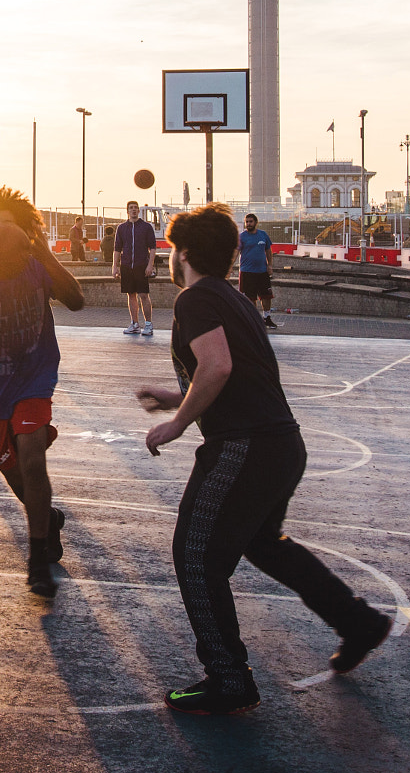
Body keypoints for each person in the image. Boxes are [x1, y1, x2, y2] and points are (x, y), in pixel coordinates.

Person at [138, 204, 392, 715]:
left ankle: (229, 677)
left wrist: (177, 423)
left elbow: (218, 366)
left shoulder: (195, 299)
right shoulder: (233, 299)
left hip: (244, 447)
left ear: (181, 254)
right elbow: (233, 375)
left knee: (196, 558)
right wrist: (176, 398)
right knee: (264, 544)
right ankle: (357, 621)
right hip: (280, 444)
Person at [0, 187, 84, 596]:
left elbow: (77, 301)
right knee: (15, 473)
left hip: (34, 374)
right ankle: (48, 519)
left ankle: (36, 560)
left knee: (32, 458)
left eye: (8, 223)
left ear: (24, 227)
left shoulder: (36, 264)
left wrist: (45, 252)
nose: (0, 230)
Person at [113, 201, 157, 338]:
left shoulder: (146, 227)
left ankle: (148, 324)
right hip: (126, 266)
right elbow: (117, 249)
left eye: (135, 208)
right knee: (131, 294)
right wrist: (115, 266)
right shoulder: (121, 228)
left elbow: (153, 248)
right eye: (131, 208)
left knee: (143, 295)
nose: (133, 210)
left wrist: (150, 265)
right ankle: (135, 324)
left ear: (139, 211)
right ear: (127, 211)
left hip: (141, 266)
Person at [237, 212, 276, 329]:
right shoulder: (241, 237)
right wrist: (229, 267)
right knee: (250, 298)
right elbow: (235, 252)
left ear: (256, 223)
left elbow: (268, 251)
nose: (248, 224)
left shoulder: (263, 235)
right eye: (247, 222)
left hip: (262, 272)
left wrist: (270, 266)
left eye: (251, 221)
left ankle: (267, 318)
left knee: (266, 296)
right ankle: (253, 319)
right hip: (247, 272)